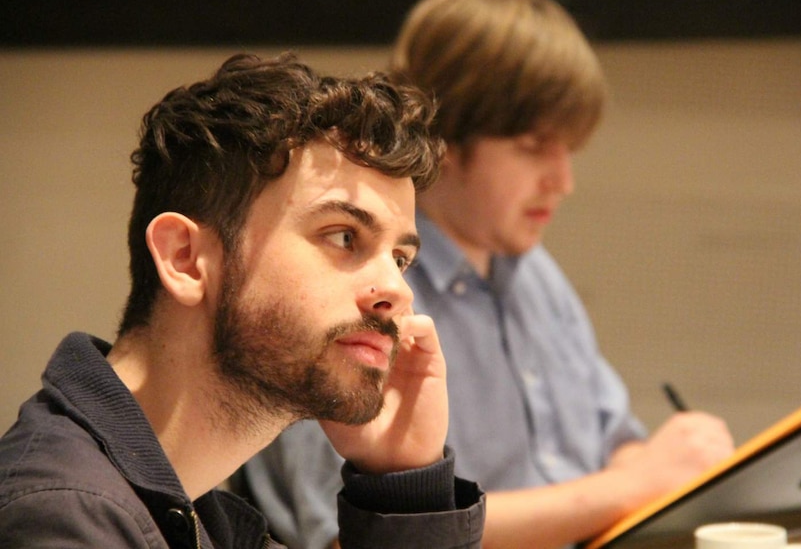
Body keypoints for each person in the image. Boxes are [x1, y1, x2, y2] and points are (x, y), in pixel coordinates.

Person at [237, 0, 736, 549]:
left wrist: (669, 465)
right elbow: (353, 533)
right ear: (446, 140)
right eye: (532, 146)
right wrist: (630, 488)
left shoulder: (533, 270)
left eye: (569, 150)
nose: (563, 181)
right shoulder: (361, 289)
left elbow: (616, 440)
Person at [0, 52, 486, 548]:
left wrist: (402, 487)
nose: (398, 291)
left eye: (400, 258)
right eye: (344, 237)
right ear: (186, 259)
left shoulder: (200, 516)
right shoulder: (61, 518)